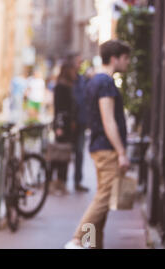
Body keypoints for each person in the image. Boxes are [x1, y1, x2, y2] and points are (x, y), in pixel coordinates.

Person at [65, 40, 131, 249]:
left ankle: (93, 245)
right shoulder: (105, 83)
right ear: (114, 58)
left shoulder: (95, 81)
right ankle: (78, 239)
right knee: (104, 198)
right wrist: (121, 151)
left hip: (99, 145)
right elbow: (108, 119)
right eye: (126, 58)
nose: (127, 63)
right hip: (106, 147)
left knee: (103, 201)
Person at [50, 61, 77, 196]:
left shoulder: (67, 86)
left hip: (67, 125)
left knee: (64, 154)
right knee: (59, 154)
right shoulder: (61, 87)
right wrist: (59, 126)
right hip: (62, 124)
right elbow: (59, 108)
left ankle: (61, 182)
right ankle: (56, 182)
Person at [67, 52, 90, 192]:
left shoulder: (82, 79)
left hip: (81, 122)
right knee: (65, 152)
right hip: (70, 123)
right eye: (78, 62)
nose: (80, 65)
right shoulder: (68, 80)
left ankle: (77, 181)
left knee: (79, 152)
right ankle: (60, 180)